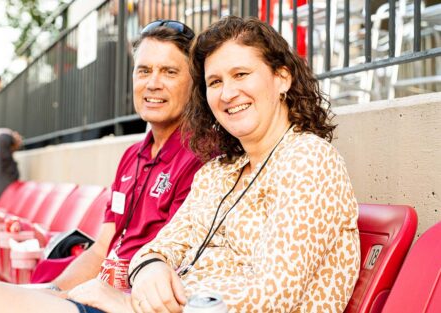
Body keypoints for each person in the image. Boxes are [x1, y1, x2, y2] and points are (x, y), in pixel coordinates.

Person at [88, 15, 358, 312]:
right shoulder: (217, 172)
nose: (228, 94)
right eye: (215, 82)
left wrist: (128, 306)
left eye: (241, 74)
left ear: (282, 77)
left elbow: (273, 296)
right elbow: (153, 250)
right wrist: (150, 269)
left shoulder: (308, 159)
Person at [0, 19, 201, 313]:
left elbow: (177, 265)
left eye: (169, 72)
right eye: (144, 70)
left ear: (194, 81)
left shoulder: (200, 158)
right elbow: (102, 248)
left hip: (130, 304)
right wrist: (55, 291)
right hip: (93, 293)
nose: (153, 82)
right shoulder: (132, 156)